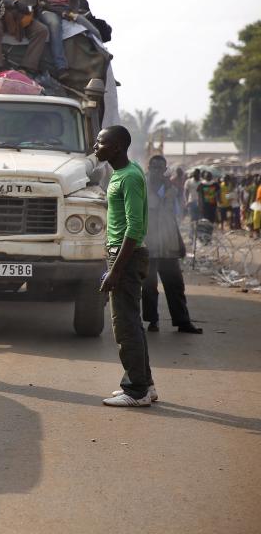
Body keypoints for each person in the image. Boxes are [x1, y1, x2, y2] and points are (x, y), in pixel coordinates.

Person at [95, 126, 156, 407]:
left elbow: (135, 226)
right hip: (121, 254)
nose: (96, 147)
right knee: (131, 321)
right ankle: (145, 384)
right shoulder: (120, 174)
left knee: (125, 325)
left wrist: (116, 269)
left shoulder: (130, 177)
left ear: (117, 146)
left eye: (101, 142)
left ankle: (136, 391)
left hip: (126, 256)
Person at [141, 155, 202, 334]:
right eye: (154, 167)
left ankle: (183, 322)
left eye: (160, 168)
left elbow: (175, 218)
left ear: (165, 169)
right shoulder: (141, 188)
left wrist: (181, 243)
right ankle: (153, 321)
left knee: (175, 285)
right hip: (148, 245)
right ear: (149, 167)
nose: (157, 171)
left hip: (168, 245)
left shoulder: (172, 190)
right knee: (149, 286)